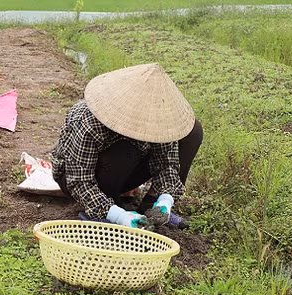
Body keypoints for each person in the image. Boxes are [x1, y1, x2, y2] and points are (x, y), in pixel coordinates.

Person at [51, 63, 203, 229]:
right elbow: (79, 181)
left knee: (193, 131)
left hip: (124, 171)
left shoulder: (157, 117)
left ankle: (151, 204)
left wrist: (165, 199)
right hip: (77, 178)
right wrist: (117, 215)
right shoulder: (88, 121)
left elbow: (166, 162)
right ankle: (103, 209)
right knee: (129, 148)